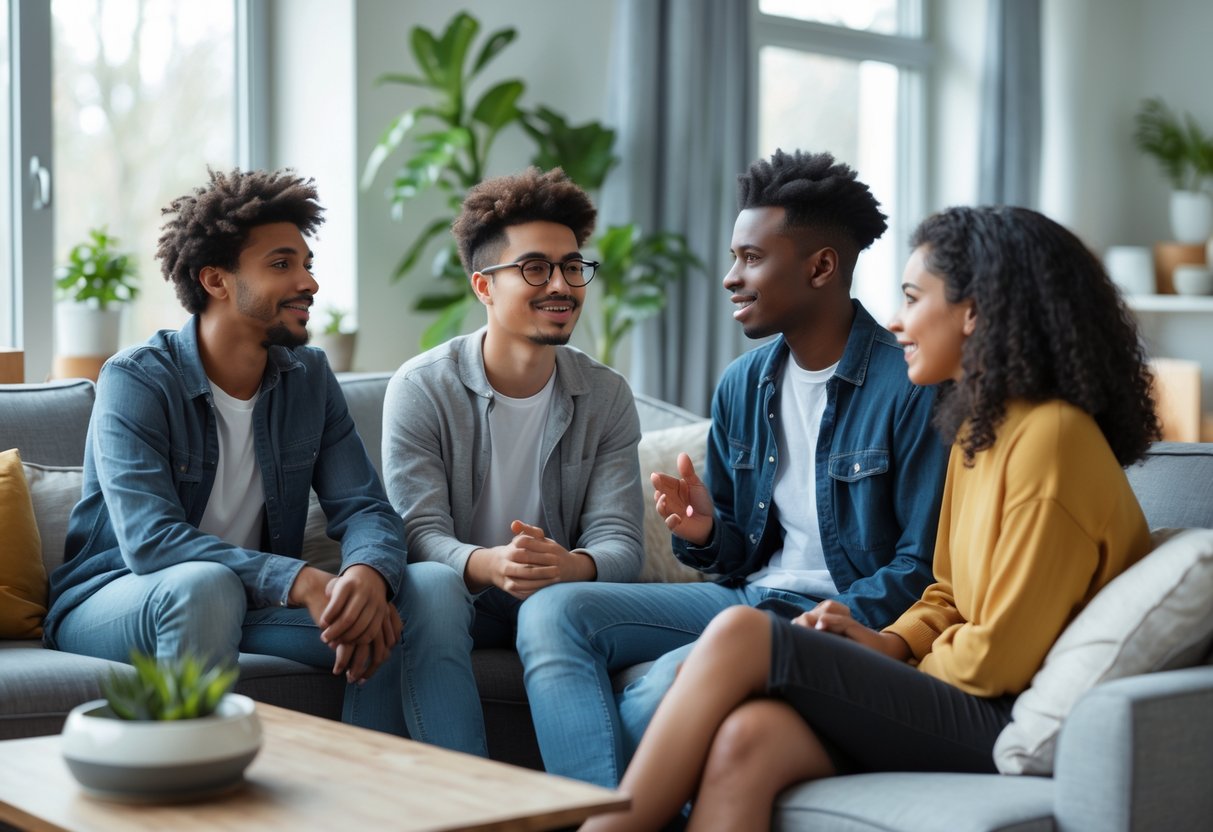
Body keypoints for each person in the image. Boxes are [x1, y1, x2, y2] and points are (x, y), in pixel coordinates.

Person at [582, 204, 1160, 831]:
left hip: (996, 714)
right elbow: (946, 590)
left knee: (743, 634)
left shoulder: (1052, 440)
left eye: (913, 298)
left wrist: (885, 665)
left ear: (975, 313)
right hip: (959, 691)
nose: (895, 320)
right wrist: (885, 641)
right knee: (750, 736)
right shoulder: (981, 429)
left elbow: (996, 660)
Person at [516, 149, 950, 787]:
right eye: (733, 257)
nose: (729, 277)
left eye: (750, 258)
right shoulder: (743, 384)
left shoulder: (911, 385)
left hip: (831, 614)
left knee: (659, 690)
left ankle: (599, 815)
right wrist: (705, 532)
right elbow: (739, 555)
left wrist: (826, 623)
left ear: (821, 266)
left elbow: (921, 565)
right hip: (748, 597)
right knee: (551, 613)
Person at [44, 168, 461, 738]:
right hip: (119, 598)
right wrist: (298, 580)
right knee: (203, 585)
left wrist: (366, 574)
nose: (310, 282)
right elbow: (150, 541)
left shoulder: (308, 377)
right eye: (282, 264)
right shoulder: (136, 380)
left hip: (249, 604)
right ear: (216, 280)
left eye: (308, 264)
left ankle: (404, 806)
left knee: (427, 587)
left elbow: (365, 507)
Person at [381, 167, 645, 756]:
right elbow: (415, 534)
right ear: (483, 286)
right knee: (432, 587)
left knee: (558, 607)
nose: (561, 284)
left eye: (573, 267)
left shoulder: (605, 395)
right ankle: (464, 803)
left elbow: (621, 541)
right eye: (534, 268)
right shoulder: (422, 387)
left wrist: (569, 567)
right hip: (459, 602)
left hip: (557, 601)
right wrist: (488, 563)